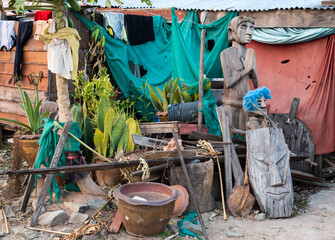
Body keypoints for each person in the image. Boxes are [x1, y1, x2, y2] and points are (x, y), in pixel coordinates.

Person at [220, 16, 258, 131]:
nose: (249, 32)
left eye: (251, 28)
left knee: (247, 137)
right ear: (232, 31)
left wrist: (253, 71)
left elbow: (255, 85)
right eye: (244, 27)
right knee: (231, 136)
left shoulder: (251, 53)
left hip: (247, 105)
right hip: (231, 105)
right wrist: (246, 70)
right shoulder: (226, 53)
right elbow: (228, 83)